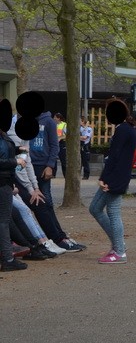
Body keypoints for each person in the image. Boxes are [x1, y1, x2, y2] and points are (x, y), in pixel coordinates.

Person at [21, 101, 85, 252]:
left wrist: (50, 165)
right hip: (27, 165)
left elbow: (55, 145)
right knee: (41, 204)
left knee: (46, 202)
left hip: (42, 167)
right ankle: (57, 237)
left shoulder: (48, 121)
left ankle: (59, 236)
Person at [91, 98, 136, 264]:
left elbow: (115, 157)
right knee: (95, 208)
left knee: (113, 212)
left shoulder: (123, 130)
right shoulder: (127, 129)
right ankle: (119, 245)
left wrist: (105, 178)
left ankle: (119, 251)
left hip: (115, 178)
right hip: (117, 176)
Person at [0, 104, 28, 272]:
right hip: (2, 183)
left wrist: (17, 149)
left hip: (5, 182)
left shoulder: (3, 134)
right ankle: (8, 258)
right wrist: (15, 161)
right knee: (3, 222)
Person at [54, 112, 67, 177]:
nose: (54, 118)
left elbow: (67, 135)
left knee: (63, 160)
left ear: (58, 118)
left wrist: (60, 138)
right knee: (53, 159)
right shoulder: (53, 124)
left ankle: (65, 174)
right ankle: (53, 174)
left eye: (55, 117)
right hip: (54, 143)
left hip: (62, 143)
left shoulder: (64, 125)